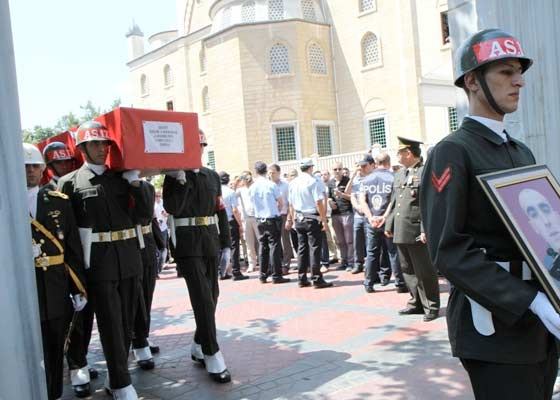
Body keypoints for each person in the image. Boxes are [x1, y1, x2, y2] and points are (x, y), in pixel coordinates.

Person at [421, 29, 559, 399]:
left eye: (519, 71)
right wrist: (532, 301)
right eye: (505, 72)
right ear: (472, 81)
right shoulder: (453, 152)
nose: (519, 81)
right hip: (495, 329)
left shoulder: (522, 152)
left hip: (540, 326)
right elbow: (448, 250)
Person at [58, 121, 152, 399]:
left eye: (105, 144)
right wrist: (74, 278)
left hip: (129, 258)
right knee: (110, 322)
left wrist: (137, 185)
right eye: (95, 144)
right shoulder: (70, 183)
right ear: (83, 148)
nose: (101, 149)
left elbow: (144, 216)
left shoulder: (122, 176)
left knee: (126, 323)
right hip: (98, 263)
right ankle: (122, 384)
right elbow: (69, 236)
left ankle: (116, 377)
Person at [162, 130, 232, 383]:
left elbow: (220, 210)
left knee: (213, 295)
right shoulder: (173, 176)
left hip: (209, 239)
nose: (199, 150)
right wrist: (178, 181)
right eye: (194, 145)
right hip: (187, 242)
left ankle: (198, 344)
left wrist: (227, 244)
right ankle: (212, 355)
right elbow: (172, 208)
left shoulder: (211, 175)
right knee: (202, 297)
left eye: (201, 146)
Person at [24, 143, 87, 400]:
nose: (30, 171)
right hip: (25, 288)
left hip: (56, 284)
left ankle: (54, 394)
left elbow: (72, 248)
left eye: (34, 166)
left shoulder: (59, 202)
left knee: (55, 344)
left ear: (43, 170)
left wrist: (78, 287)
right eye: (24, 166)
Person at [43, 140, 99, 397]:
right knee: (65, 321)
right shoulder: (44, 195)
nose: (65, 166)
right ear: (50, 166)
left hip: (81, 258)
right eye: (59, 163)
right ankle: (76, 366)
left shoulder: (77, 183)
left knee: (85, 316)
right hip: (54, 268)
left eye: (68, 162)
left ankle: (82, 358)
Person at [385, 136, 440, 322]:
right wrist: (389, 224)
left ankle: (431, 305)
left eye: (399, 152)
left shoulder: (425, 172)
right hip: (402, 228)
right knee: (407, 269)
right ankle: (415, 302)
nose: (397, 155)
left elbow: (427, 203)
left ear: (408, 153)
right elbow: (395, 202)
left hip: (417, 229)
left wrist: (425, 229)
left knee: (424, 270)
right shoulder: (400, 174)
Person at [360, 152, 406, 293]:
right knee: (393, 252)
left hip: (372, 220)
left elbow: (362, 200)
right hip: (389, 220)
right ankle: (399, 283)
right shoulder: (393, 178)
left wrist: (370, 217)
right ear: (388, 162)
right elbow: (396, 200)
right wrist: (384, 217)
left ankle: (368, 282)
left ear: (376, 162)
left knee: (372, 252)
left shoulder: (366, 179)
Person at [286, 158, 333, 288]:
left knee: (302, 248)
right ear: (310, 168)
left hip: (299, 217)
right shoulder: (312, 181)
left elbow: (290, 204)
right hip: (311, 217)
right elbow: (319, 202)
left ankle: (302, 277)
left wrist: (291, 218)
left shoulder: (293, 182)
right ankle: (316, 278)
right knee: (314, 248)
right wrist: (324, 220)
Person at [131, 179, 159, 370]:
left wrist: (160, 243)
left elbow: (151, 217)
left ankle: (143, 335)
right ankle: (138, 340)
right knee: (136, 297)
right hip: (129, 244)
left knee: (147, 294)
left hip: (146, 244)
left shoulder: (147, 187)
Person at [250, 161, 290, 284]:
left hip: (260, 219)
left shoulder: (252, 187)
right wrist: (275, 211)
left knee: (263, 246)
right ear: (266, 171)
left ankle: (263, 274)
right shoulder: (271, 185)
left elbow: (253, 203)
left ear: (256, 172)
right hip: (271, 218)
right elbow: (280, 202)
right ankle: (276, 275)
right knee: (275, 246)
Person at [518, 188, 560, 278]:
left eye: (546, 210)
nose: (546, 222)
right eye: (534, 215)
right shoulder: (546, 270)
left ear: (557, 215)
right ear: (534, 227)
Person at [345, 157, 375, 274]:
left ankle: (370, 264)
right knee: (357, 240)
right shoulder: (356, 180)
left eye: (363, 166)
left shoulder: (371, 178)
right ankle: (358, 263)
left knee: (369, 241)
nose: (361, 168)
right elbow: (349, 193)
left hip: (369, 213)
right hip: (358, 215)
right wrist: (357, 206)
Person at [219, 171, 248, 281]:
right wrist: (240, 224)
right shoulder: (231, 192)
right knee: (234, 246)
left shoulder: (215, 192)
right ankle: (236, 271)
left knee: (221, 247)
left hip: (219, 221)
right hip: (230, 221)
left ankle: (221, 271)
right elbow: (235, 210)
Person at [268, 163, 293, 274]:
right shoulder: (267, 185)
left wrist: (289, 218)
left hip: (283, 215)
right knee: (274, 242)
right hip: (270, 217)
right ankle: (276, 263)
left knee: (285, 240)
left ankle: (286, 264)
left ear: (279, 172)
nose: (271, 175)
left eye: (273, 172)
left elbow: (290, 203)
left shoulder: (285, 185)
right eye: (269, 172)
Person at [328, 162, 354, 271]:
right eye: (335, 169)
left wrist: (342, 195)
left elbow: (353, 197)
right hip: (335, 214)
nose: (337, 171)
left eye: (339, 169)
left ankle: (351, 262)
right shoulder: (330, 183)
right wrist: (330, 201)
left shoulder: (347, 180)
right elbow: (329, 197)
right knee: (340, 240)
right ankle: (343, 261)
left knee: (349, 240)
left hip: (347, 212)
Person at [236, 171, 259, 272]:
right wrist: (236, 182)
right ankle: (251, 263)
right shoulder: (240, 190)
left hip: (257, 217)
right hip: (246, 218)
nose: (246, 179)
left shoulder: (255, 187)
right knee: (249, 243)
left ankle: (263, 261)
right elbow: (232, 195)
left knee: (261, 241)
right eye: (244, 178)